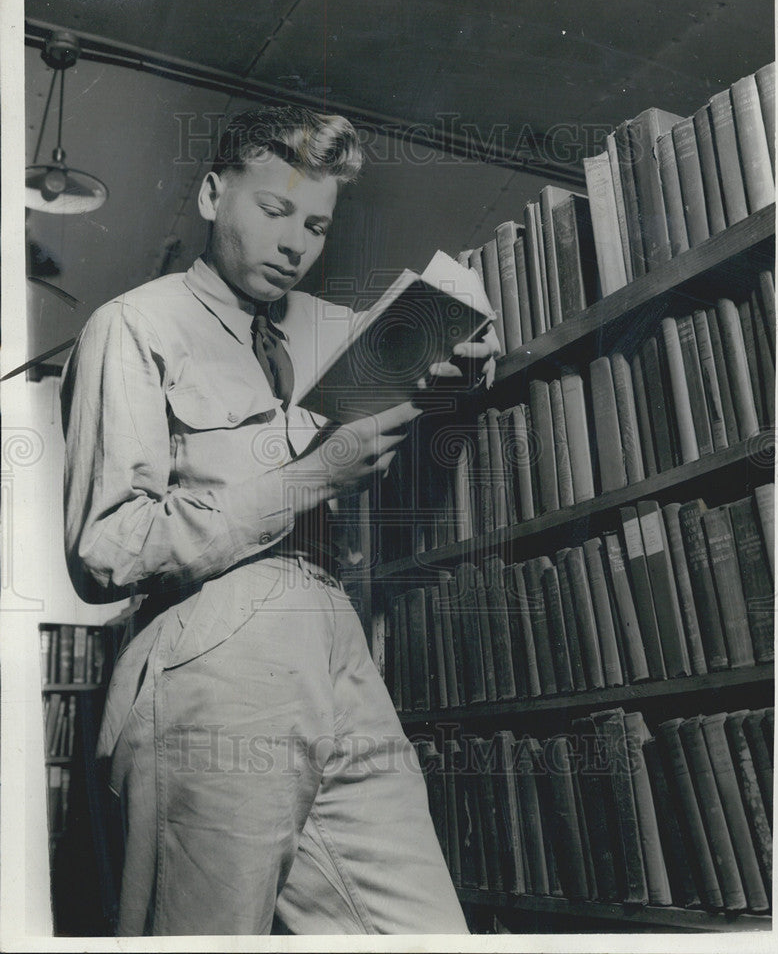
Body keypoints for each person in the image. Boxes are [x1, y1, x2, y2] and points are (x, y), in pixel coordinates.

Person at [60, 104, 498, 936]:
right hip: (212, 654)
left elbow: (427, 370)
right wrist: (307, 480)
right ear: (212, 193)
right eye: (274, 211)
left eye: (317, 225)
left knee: (427, 932)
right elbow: (104, 553)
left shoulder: (321, 333)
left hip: (337, 644)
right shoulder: (134, 325)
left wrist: (467, 359)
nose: (296, 242)